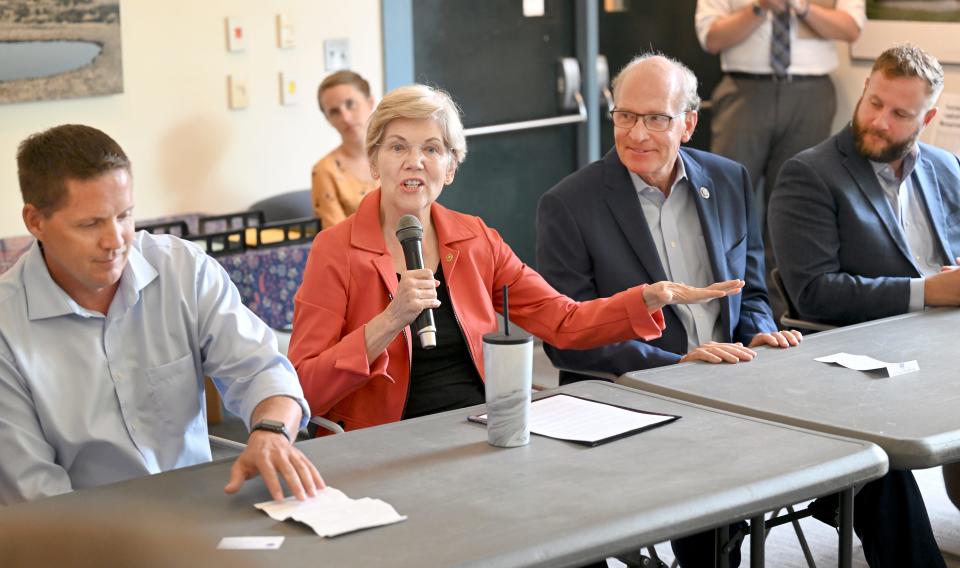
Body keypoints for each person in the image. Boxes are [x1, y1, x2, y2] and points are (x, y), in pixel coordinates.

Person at [287, 84, 744, 434]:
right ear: (374, 163)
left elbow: (562, 321)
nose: (415, 162)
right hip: (388, 441)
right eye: (398, 147)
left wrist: (648, 296)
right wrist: (389, 321)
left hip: (484, 426)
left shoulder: (475, 238)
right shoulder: (336, 250)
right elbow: (303, 385)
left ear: (450, 166)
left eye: (431, 148)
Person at [0, 124, 323, 506]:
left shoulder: (183, 268)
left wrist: (271, 433)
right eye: (90, 224)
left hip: (200, 511)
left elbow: (262, 369)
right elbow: (37, 499)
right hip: (86, 537)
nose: (116, 241)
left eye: (124, 216)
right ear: (35, 221)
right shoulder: (7, 327)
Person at [769, 43, 952, 567]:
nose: (878, 120)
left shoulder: (943, 167)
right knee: (882, 463)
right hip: (860, 360)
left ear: (929, 117)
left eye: (900, 113)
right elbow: (815, 293)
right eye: (873, 102)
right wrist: (926, 292)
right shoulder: (810, 174)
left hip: (947, 346)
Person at [538, 54, 801, 384]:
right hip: (633, 391)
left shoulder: (729, 181)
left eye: (656, 119)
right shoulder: (569, 204)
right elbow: (566, 339)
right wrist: (677, 364)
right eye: (626, 116)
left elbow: (751, 294)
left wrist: (760, 334)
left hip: (734, 378)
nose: (637, 134)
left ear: (688, 125)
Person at [695, 0, 865, 317]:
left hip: (810, 93)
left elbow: (851, 27)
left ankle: (781, 317)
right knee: (724, 203)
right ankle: (720, 309)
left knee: (797, 205)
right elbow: (711, 37)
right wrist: (759, 7)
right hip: (744, 91)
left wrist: (802, 8)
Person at [311, 70, 377, 229]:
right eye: (334, 112)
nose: (345, 117)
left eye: (350, 104)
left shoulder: (399, 157)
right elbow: (337, 239)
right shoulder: (325, 171)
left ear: (370, 102)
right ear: (328, 119)